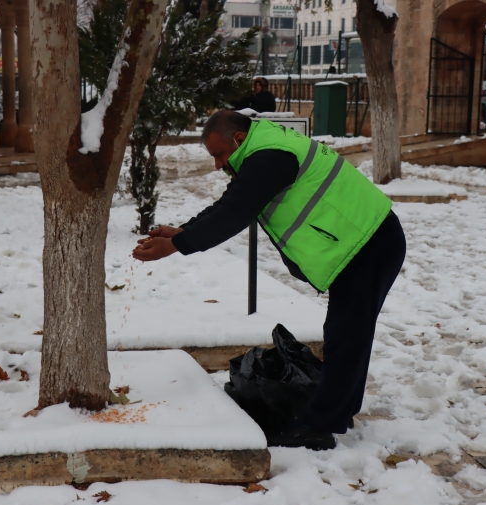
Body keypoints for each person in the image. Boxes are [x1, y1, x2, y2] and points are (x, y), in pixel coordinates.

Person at [132, 110, 406, 451]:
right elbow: (231, 202)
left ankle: (319, 427)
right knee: (349, 335)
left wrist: (175, 246)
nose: (218, 164)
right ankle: (340, 410)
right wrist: (184, 230)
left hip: (368, 242)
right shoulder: (263, 150)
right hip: (364, 241)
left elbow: (234, 212)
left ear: (239, 138)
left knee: (346, 336)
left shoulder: (269, 157)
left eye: (219, 154)